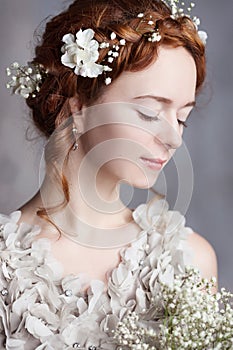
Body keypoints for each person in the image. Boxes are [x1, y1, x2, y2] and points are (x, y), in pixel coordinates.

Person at [1, 0, 217, 348]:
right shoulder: (4, 269)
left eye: (182, 118)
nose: (174, 138)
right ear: (79, 108)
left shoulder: (189, 262)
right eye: (148, 113)